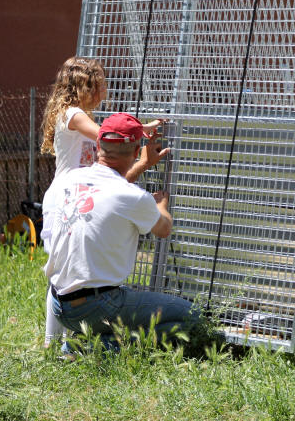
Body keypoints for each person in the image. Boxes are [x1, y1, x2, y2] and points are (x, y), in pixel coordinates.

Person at [44, 113, 198, 351]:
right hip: (99, 305)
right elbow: (164, 228)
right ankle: (93, 347)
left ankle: (85, 340)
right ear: (137, 151)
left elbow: (109, 189)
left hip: (59, 305)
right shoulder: (134, 197)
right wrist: (160, 206)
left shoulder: (70, 179)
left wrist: (142, 167)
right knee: (191, 316)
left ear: (98, 145)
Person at [40, 56, 161, 347]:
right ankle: (51, 342)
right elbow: (109, 136)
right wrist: (140, 129)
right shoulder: (71, 114)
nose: (105, 89)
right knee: (61, 272)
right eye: (101, 83)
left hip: (83, 194)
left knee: (72, 272)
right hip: (65, 197)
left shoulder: (81, 114)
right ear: (84, 85)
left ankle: (67, 339)